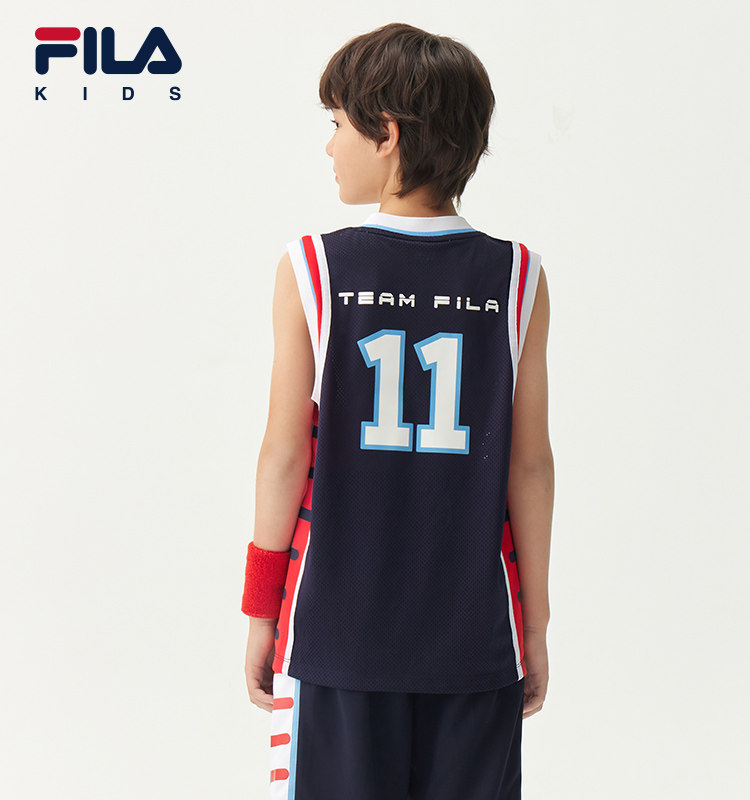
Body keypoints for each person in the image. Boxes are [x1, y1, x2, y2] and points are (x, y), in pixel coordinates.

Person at [241, 22, 554, 800]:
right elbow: (530, 466)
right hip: (476, 641)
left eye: (337, 125)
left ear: (387, 135)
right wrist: (533, 622)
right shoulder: (518, 277)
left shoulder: (312, 267)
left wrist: (261, 608)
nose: (329, 147)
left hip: (336, 635)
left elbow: (284, 455)